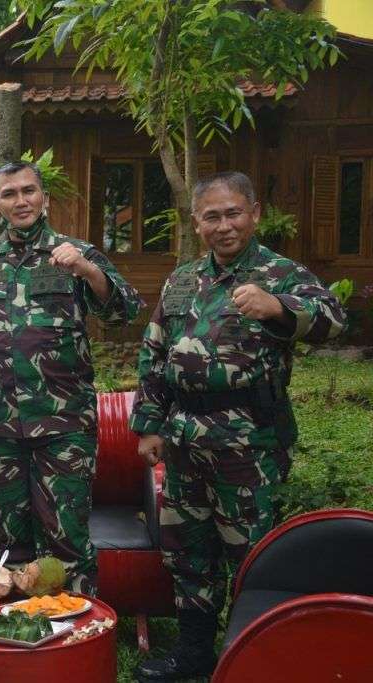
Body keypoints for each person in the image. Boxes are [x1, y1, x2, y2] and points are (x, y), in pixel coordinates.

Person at [130, 171, 346, 680]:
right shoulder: (182, 278)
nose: (224, 225)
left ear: (254, 214)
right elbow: (154, 351)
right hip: (184, 439)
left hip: (248, 443)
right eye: (212, 216)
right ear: (197, 222)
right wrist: (149, 425)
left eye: (233, 213)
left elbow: (335, 321)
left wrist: (279, 308)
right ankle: (194, 655)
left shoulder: (280, 273)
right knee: (188, 552)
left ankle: (252, 656)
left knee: (250, 554)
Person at [0, 161, 143, 594]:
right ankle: (12, 632)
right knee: (4, 541)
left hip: (63, 426)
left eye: (29, 191)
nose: (21, 200)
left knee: (67, 539)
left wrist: (89, 272)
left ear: (45, 198)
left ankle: (74, 640)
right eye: (10, 193)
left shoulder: (77, 253)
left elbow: (125, 312)